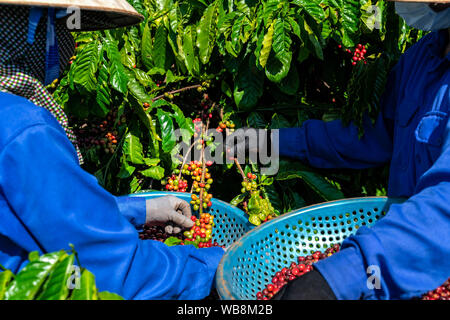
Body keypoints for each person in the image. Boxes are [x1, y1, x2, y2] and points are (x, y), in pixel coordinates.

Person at [0, 1, 224, 300]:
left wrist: (138, 210)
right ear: (29, 32)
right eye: (62, 26)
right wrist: (215, 264)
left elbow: (25, 216)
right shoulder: (24, 129)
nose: (70, 45)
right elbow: (113, 272)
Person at [231, 0, 450, 300]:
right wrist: (271, 142)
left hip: (421, 264)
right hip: (391, 267)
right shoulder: (423, 57)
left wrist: (337, 277)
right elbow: (368, 135)